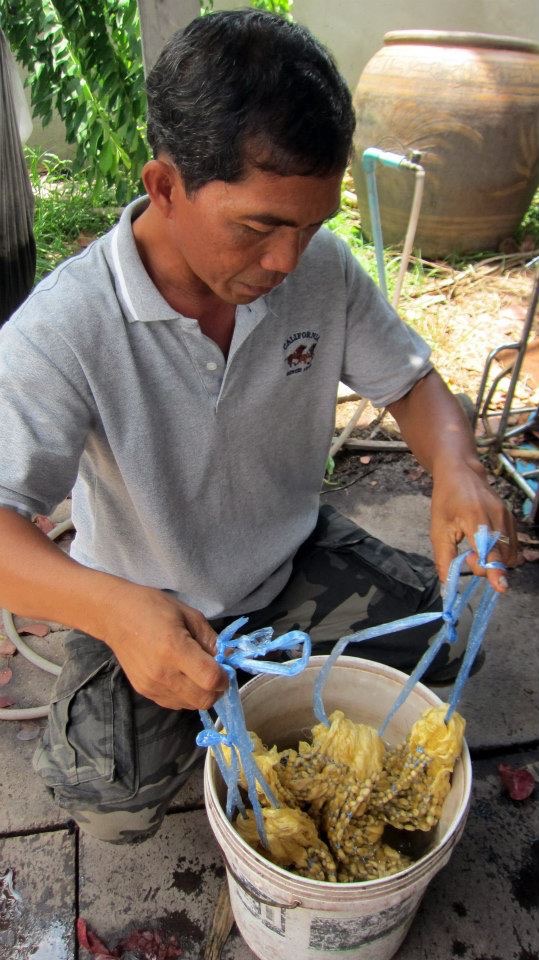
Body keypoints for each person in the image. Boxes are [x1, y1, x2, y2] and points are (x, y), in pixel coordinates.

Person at [0, 10, 516, 844]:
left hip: (287, 561)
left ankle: (260, 681)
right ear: (165, 186)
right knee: (109, 804)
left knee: (453, 649)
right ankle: (238, 683)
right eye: (258, 226)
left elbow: (411, 383)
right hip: (149, 598)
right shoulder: (65, 330)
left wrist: (456, 468)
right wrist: (114, 611)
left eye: (310, 226)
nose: (285, 261)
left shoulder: (319, 272)